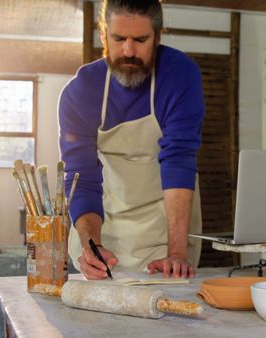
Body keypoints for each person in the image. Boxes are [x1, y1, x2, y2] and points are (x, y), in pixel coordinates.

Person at [58, 0, 204, 280]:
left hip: (165, 228)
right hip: (106, 223)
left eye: (140, 40)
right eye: (118, 38)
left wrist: (176, 253)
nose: (128, 51)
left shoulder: (179, 75)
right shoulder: (80, 92)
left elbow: (178, 158)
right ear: (103, 35)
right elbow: (82, 176)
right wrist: (92, 246)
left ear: (158, 37)